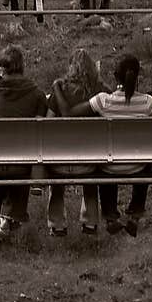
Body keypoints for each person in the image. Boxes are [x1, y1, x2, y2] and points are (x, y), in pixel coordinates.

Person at [70, 53, 152, 237]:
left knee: (105, 164)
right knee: (147, 162)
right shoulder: (148, 103)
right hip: (137, 166)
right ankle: (135, 213)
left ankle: (110, 216)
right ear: (138, 75)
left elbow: (73, 113)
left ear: (115, 76)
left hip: (110, 166)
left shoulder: (103, 101)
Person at [0, 44, 48, 237]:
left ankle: (4, 219)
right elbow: (40, 125)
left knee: (1, 157)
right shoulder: (36, 93)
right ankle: (8, 217)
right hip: (20, 160)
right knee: (24, 158)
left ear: (0, 69)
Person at [46, 49, 106, 236]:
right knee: (91, 169)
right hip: (89, 160)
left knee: (55, 173)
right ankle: (90, 221)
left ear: (70, 67)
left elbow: (47, 124)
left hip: (61, 161)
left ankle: (57, 224)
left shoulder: (60, 89)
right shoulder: (100, 90)